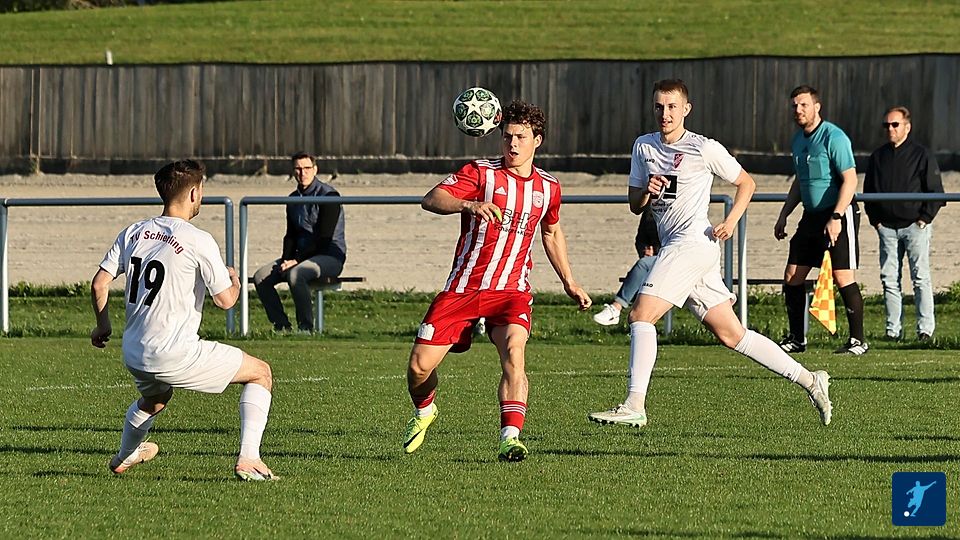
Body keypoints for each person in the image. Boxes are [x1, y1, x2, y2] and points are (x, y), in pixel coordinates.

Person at [588, 79, 832, 429]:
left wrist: (730, 221)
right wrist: (647, 191)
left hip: (693, 243)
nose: (665, 113)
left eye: (672, 107)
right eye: (659, 106)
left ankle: (634, 405)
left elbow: (746, 183)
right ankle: (811, 380)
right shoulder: (643, 146)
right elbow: (634, 204)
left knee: (640, 315)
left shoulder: (703, 147)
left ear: (686, 109)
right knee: (732, 334)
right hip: (678, 247)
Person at [402, 100, 592, 462]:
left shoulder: (549, 187)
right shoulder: (480, 173)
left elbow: (551, 232)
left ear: (537, 140)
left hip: (511, 292)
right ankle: (425, 410)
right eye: (507, 137)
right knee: (418, 367)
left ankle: (510, 438)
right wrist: (468, 205)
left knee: (514, 354)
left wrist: (569, 281)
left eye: (521, 137)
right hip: (463, 288)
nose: (512, 144)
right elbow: (432, 198)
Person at [90, 160, 277, 481]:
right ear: (193, 193)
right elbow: (225, 301)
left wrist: (103, 325)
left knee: (156, 399)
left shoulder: (133, 232)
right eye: (201, 189)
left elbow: (99, 283)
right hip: (174, 352)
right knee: (261, 374)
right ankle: (250, 459)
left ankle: (125, 456)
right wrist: (234, 281)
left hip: (134, 351)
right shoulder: (197, 239)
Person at [774, 85, 867, 355]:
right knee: (792, 275)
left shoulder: (833, 137)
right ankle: (797, 339)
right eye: (794, 105)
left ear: (817, 107)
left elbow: (850, 179)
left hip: (838, 213)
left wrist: (836, 216)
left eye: (804, 104)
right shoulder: (798, 141)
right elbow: (800, 181)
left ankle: (858, 340)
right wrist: (784, 214)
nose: (798, 110)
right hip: (811, 216)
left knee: (841, 275)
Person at [863, 106, 944, 341]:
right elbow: (868, 191)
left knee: (920, 278)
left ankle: (925, 330)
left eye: (895, 124)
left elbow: (936, 191)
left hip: (915, 227)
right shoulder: (878, 157)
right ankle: (892, 331)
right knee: (889, 279)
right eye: (886, 125)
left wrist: (924, 219)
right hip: (886, 228)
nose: (890, 129)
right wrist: (876, 221)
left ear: (907, 127)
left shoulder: (922, 155)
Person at [254, 152, 346, 332]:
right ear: (293, 171)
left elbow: (324, 238)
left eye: (307, 168)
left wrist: (296, 261)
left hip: (329, 256)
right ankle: (281, 326)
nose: (302, 173)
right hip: (299, 257)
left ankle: (305, 327)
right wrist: (285, 259)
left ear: (315, 170)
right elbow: (290, 235)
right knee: (261, 276)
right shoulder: (293, 199)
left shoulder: (329, 196)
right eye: (298, 169)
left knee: (296, 274)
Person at [593, 205, 661, 326]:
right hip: (658, 261)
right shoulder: (651, 210)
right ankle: (623, 313)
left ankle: (616, 308)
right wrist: (645, 250)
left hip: (676, 257)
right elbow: (641, 238)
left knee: (643, 265)